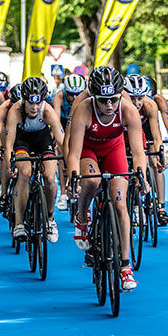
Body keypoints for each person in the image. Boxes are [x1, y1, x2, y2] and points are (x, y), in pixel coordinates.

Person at [66, 66, 147, 291]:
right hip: (88, 150)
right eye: (103, 100)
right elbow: (73, 152)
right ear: (94, 97)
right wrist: (73, 178)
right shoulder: (83, 109)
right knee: (91, 181)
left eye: (113, 99)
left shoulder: (127, 110)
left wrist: (141, 175)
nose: (109, 105)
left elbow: (139, 153)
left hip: (114, 149)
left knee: (120, 204)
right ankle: (82, 217)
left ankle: (124, 267)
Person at [3, 77, 65, 244]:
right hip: (22, 141)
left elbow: (61, 139)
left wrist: (67, 161)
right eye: (31, 103)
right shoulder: (15, 111)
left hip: (42, 140)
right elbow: (8, 144)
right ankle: (19, 224)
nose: (35, 107)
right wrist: (10, 163)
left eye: (38, 103)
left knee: (50, 178)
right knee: (24, 172)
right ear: (24, 100)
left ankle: (50, 219)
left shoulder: (47, 111)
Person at [123, 75, 168, 225]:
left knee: (154, 163)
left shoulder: (150, 105)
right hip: (123, 132)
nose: (136, 103)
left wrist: (160, 156)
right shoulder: (120, 106)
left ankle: (161, 207)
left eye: (140, 98)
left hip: (144, 130)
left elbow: (156, 136)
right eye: (132, 98)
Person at [52, 73, 87, 210]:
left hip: (80, 122)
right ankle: (62, 193)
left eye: (77, 94)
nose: (74, 98)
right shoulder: (58, 97)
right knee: (62, 150)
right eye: (71, 94)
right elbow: (55, 120)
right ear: (65, 92)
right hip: (62, 123)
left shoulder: (85, 97)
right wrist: (57, 137)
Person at [0, 83, 22, 213]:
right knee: (5, 156)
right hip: (7, 129)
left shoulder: (30, 107)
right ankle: (3, 194)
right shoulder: (4, 107)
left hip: (24, 131)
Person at [143, 76, 168, 154]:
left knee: (153, 142)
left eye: (151, 99)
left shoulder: (160, 100)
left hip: (148, 121)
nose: (149, 104)